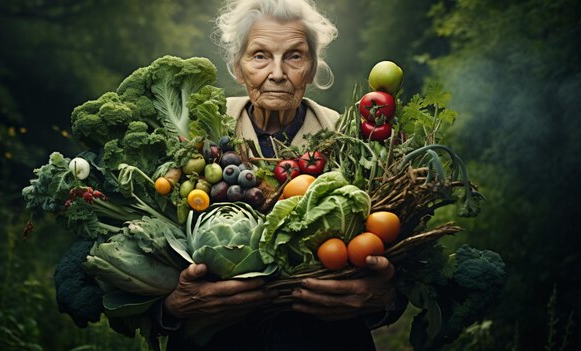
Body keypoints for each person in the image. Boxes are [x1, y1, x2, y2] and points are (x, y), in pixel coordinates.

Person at [154, 1, 407, 349]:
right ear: (237, 67)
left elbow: (400, 258)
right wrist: (170, 307)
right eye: (259, 55)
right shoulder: (199, 133)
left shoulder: (353, 138)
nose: (276, 73)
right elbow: (149, 247)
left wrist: (384, 298)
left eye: (294, 56)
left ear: (313, 67)